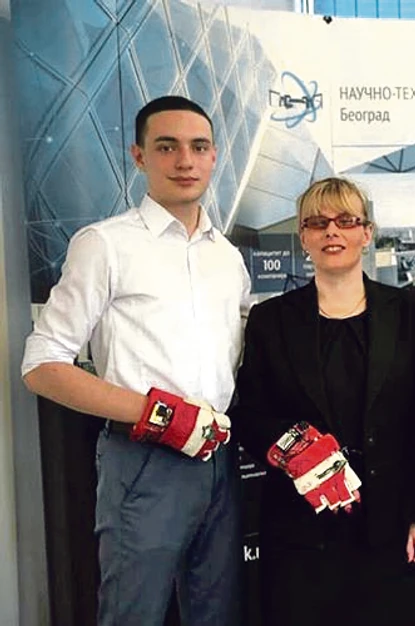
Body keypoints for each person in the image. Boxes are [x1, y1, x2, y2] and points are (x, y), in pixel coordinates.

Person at [21, 95, 249, 625]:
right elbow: (43, 365)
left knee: (216, 615)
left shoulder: (227, 256)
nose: (185, 161)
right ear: (139, 156)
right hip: (143, 458)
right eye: (167, 147)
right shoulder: (105, 244)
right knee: (133, 614)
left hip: (218, 456)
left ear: (214, 156)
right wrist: (158, 415)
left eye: (198, 147)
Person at [228, 177, 415, 626]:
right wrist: (295, 450)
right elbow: (250, 415)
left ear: (367, 233)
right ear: (303, 237)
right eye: (317, 223)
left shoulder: (413, 312)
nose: (331, 232)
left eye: (346, 221)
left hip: (392, 529)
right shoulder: (270, 320)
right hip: (300, 531)